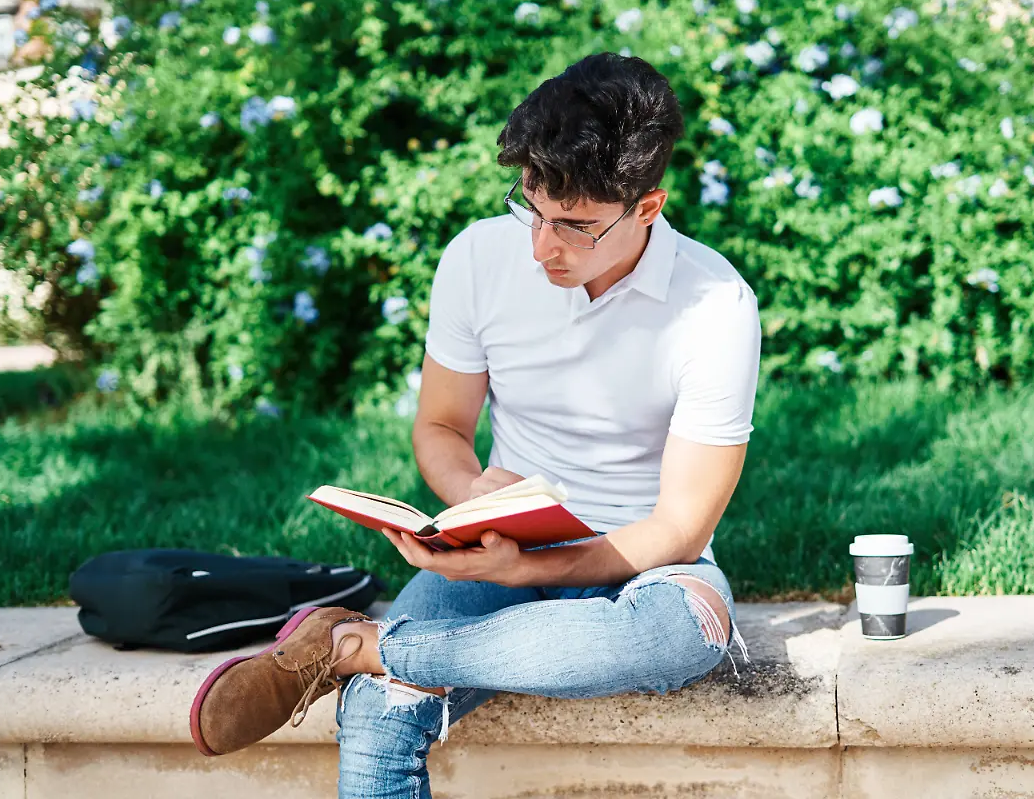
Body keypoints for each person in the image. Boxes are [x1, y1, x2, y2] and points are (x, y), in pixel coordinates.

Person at [188, 51, 762, 798]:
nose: (541, 246)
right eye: (531, 205)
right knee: (375, 717)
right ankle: (372, 659)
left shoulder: (715, 304)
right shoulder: (477, 258)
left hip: (645, 565)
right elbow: (441, 428)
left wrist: (541, 568)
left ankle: (363, 646)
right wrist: (473, 501)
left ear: (647, 207)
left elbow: (680, 528)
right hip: (502, 544)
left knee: (667, 642)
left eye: (575, 225)